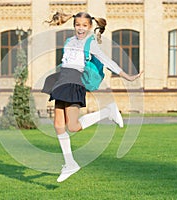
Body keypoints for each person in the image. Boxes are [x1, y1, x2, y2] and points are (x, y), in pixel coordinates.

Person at [44, 12, 143, 182]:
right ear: (74, 25)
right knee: (58, 125)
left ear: (89, 27)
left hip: (74, 83)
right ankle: (70, 164)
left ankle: (108, 112)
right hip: (62, 80)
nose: (80, 28)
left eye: (84, 25)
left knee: (73, 126)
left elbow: (107, 61)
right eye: (77, 24)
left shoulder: (91, 43)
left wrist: (127, 76)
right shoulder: (69, 41)